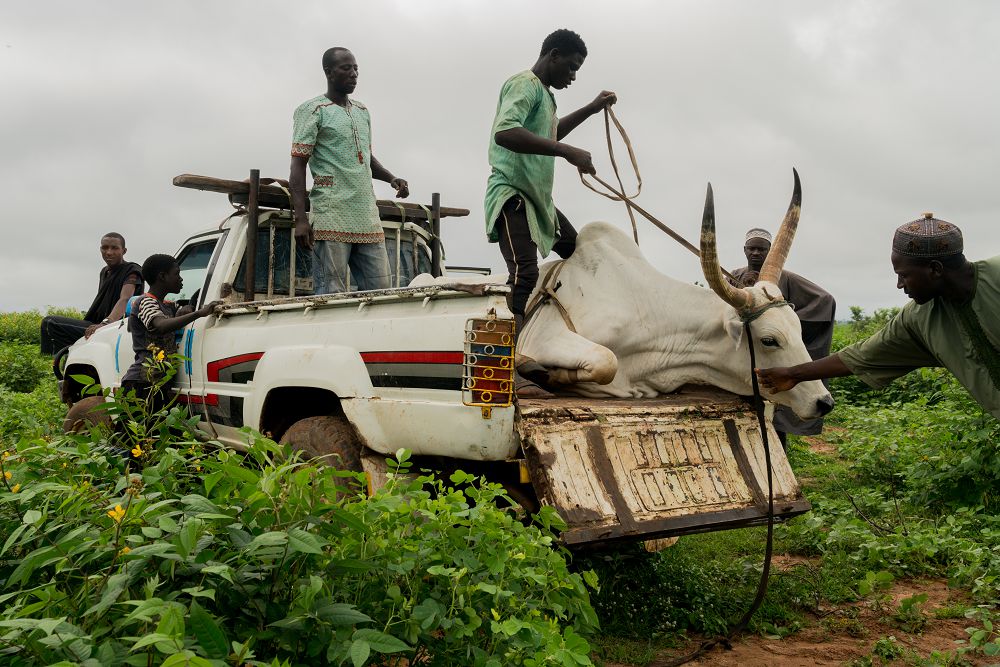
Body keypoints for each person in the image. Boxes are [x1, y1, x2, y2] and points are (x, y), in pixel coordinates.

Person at [757, 214, 1000, 418]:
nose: (899, 284)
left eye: (903, 275)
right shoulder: (918, 318)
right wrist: (792, 374)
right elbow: (861, 355)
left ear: (935, 269)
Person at [484, 28, 616, 397]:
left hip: (539, 201)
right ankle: (507, 363)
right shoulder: (523, 84)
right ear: (553, 55)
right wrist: (569, 152)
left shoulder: (546, 97)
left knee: (579, 253)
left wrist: (592, 108)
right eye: (572, 68)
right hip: (513, 195)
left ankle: (555, 340)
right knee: (524, 274)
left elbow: (551, 133)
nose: (573, 76)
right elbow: (505, 132)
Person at [289, 46, 409, 295]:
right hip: (331, 213)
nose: (354, 74)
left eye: (356, 68)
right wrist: (300, 219)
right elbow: (298, 165)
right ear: (329, 72)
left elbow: (364, 156)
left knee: (381, 293)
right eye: (347, 68)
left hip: (366, 214)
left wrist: (391, 178)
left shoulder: (362, 111)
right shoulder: (312, 110)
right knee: (331, 293)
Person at [729, 228, 837, 447]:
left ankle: (779, 462)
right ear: (744, 250)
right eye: (752, 248)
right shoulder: (734, 275)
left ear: (770, 252)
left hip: (771, 358)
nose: (756, 253)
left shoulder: (784, 278)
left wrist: (784, 326)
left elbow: (825, 301)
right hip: (743, 361)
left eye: (762, 249)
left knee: (775, 417)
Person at [120, 254, 220, 414]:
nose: (181, 279)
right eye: (177, 274)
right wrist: (199, 314)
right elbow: (160, 325)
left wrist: (184, 311)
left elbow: (173, 319)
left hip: (158, 382)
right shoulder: (146, 302)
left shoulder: (166, 305)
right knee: (133, 436)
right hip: (142, 382)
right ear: (162, 276)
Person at [40, 232, 143, 354]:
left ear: (124, 251)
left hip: (115, 327)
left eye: (114, 248)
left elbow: (125, 299)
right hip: (97, 324)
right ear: (100, 249)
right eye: (105, 248)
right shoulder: (104, 272)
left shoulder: (132, 270)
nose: (109, 252)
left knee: (51, 322)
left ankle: (59, 359)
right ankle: (66, 358)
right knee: (50, 325)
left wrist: (106, 323)